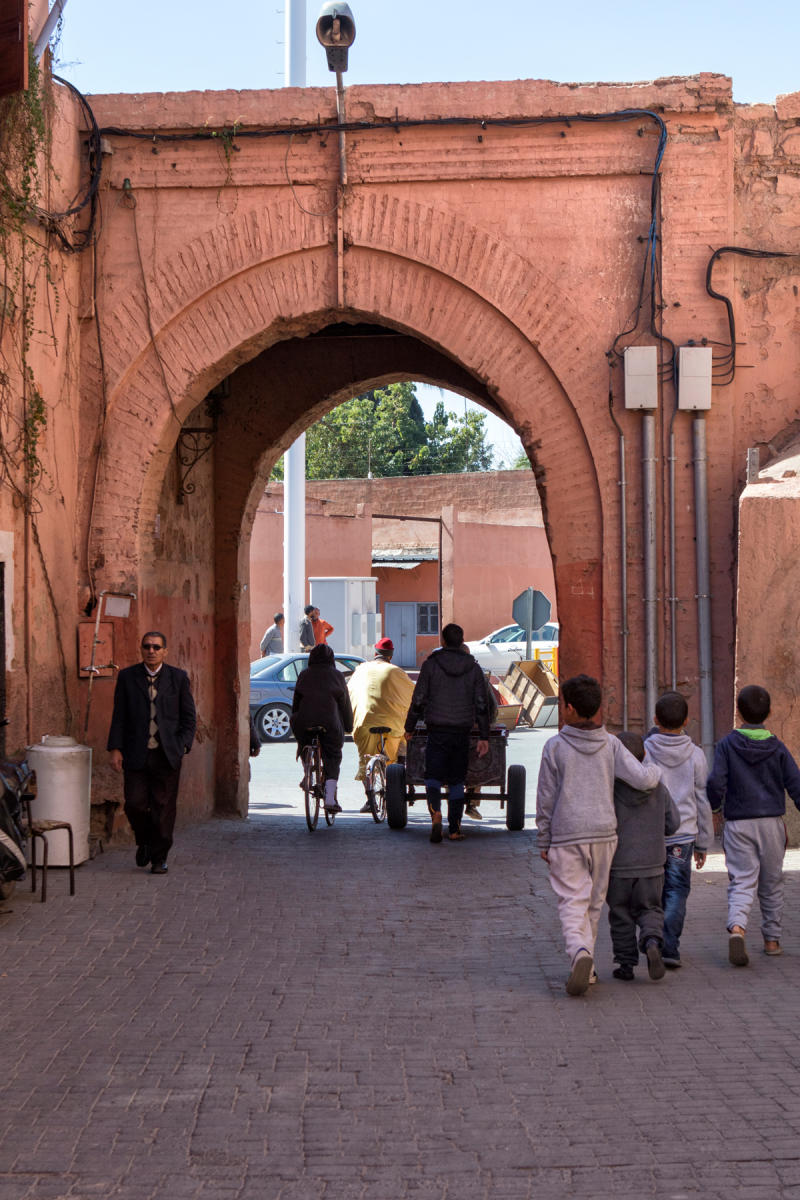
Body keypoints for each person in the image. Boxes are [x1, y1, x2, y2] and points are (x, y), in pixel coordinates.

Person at [535, 674, 661, 997]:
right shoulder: (612, 745)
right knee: (593, 903)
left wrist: (544, 838)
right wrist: (659, 768)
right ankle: (587, 968)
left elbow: (546, 798)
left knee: (570, 901)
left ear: (570, 709)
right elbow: (643, 779)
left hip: (567, 836)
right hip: (605, 834)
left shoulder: (555, 747)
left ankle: (580, 953)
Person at [707, 684, 800, 966]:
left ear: (738, 712)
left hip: (738, 825)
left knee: (742, 880)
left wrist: (715, 808)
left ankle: (737, 928)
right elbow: (796, 785)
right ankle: (772, 941)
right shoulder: (777, 747)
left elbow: (715, 782)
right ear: (770, 712)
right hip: (771, 824)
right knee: (772, 883)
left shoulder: (726, 745)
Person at [107, 631, 197, 875]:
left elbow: (189, 718)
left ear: (165, 651)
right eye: (147, 646)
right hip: (136, 753)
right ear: (141, 649)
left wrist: (183, 745)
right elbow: (119, 716)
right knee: (135, 804)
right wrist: (115, 748)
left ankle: (159, 858)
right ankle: (144, 840)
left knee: (163, 808)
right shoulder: (127, 677)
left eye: (157, 647)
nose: (151, 651)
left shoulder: (177, 678)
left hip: (167, 754)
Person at [644, 691, 713, 969]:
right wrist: (703, 842)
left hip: (652, 835)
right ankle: (669, 946)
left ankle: (652, 939)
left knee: (653, 891)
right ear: (686, 721)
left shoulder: (645, 750)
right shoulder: (696, 755)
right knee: (676, 891)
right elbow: (702, 799)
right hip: (683, 837)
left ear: (655, 719)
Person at [404, 623, 490, 843]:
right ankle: (454, 829)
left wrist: (409, 727)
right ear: (462, 642)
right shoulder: (473, 667)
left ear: (442, 641)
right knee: (457, 781)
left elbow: (419, 698)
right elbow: (482, 703)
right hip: (462, 731)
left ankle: (436, 815)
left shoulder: (431, 664)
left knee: (433, 776)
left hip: (437, 730)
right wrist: (484, 736)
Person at [606, 730, 680, 982]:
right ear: (644, 754)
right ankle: (651, 940)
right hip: (652, 866)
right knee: (651, 909)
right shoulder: (658, 787)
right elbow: (673, 824)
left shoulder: (610, 788)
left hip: (618, 867)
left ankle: (625, 964)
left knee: (620, 914)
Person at [348, 637, 415, 813]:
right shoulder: (396, 672)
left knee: (366, 760)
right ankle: (400, 780)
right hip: (392, 725)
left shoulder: (360, 670)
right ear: (390, 656)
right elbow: (413, 696)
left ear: (375, 654)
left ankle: (370, 800)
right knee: (400, 750)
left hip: (364, 724)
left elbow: (350, 693)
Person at [290, 643, 353, 813]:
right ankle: (331, 798)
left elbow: (295, 705)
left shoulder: (304, 675)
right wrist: (348, 726)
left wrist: (295, 722)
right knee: (333, 755)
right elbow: (345, 705)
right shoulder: (337, 676)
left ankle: (308, 772)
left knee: (304, 741)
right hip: (329, 723)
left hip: (304, 721)